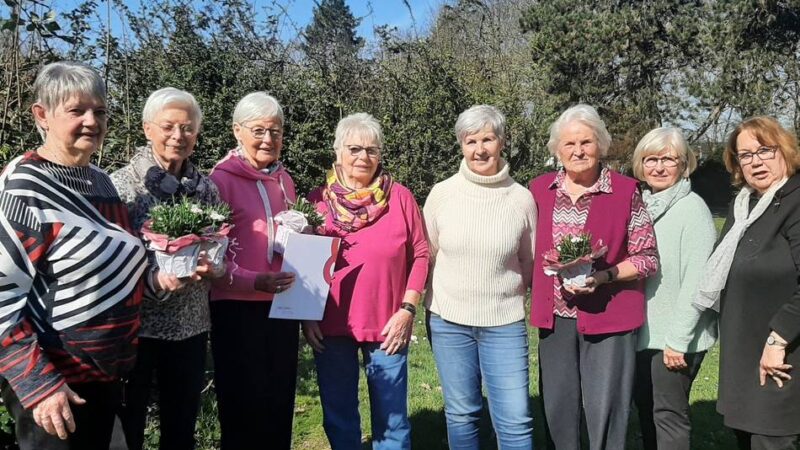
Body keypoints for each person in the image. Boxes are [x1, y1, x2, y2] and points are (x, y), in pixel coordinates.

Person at [0, 61, 146, 449]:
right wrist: (39, 384)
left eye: (99, 111)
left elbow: (117, 265)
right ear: (42, 115)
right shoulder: (24, 187)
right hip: (55, 386)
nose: (91, 121)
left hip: (105, 378)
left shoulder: (99, 181)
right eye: (76, 110)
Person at [528, 104, 659, 450]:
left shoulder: (625, 191)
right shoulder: (539, 191)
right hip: (555, 320)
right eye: (569, 144)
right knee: (558, 407)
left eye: (586, 142)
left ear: (600, 144)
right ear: (558, 150)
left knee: (606, 410)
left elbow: (647, 258)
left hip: (608, 320)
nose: (578, 151)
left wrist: (605, 276)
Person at [302, 113, 429, 449]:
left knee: (393, 421)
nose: (363, 157)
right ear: (338, 152)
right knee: (339, 415)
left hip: (389, 324)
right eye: (354, 149)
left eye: (371, 150)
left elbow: (420, 255)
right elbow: (306, 258)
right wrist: (305, 314)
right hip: (329, 324)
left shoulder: (400, 197)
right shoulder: (317, 202)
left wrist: (407, 310)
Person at [110, 87, 221, 450]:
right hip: (136, 326)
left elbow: (220, 243)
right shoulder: (121, 185)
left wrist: (215, 266)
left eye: (187, 128)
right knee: (130, 425)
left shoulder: (205, 189)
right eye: (169, 126)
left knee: (181, 424)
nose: (178, 136)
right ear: (147, 128)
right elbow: (111, 257)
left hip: (189, 324)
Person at [424, 105, 536, 450]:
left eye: (488, 139)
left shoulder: (521, 199)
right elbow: (427, 254)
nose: (480, 149)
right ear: (461, 145)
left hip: (504, 323)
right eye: (471, 141)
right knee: (462, 414)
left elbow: (528, 262)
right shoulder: (442, 194)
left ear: (502, 142)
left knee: (515, 420)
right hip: (449, 321)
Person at [694, 116, 800, 450]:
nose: (756, 161)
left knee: (771, 440)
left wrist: (778, 338)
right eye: (745, 155)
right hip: (743, 353)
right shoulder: (744, 207)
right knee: (749, 438)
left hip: (782, 353)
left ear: (783, 149)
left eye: (764, 150)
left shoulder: (795, 202)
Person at [209, 92, 298, 449]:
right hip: (236, 307)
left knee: (279, 400)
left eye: (275, 131)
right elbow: (212, 253)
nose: (268, 139)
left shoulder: (284, 179)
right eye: (259, 130)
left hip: (283, 306)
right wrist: (252, 280)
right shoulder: (220, 180)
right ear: (237, 131)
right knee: (243, 404)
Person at [629, 127, 717, 450]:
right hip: (645, 334)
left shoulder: (692, 210)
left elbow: (698, 282)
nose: (659, 167)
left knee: (668, 415)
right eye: (651, 159)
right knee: (647, 410)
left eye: (669, 159)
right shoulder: (644, 206)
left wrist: (678, 341)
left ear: (684, 164)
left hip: (676, 338)